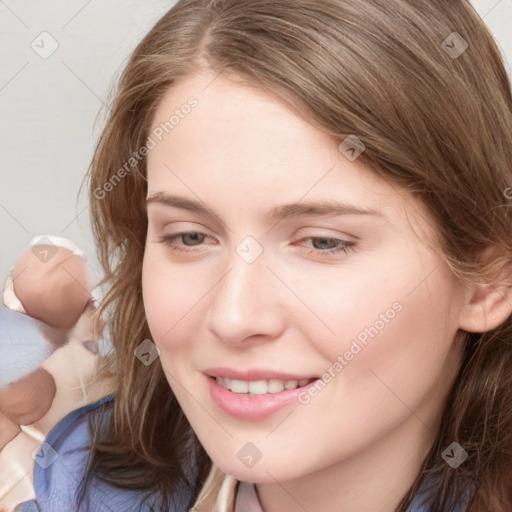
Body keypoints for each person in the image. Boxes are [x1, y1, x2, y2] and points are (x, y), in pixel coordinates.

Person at [11, 0, 512, 510]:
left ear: (488, 280)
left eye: (323, 242)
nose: (233, 318)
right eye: (189, 237)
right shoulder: (70, 476)